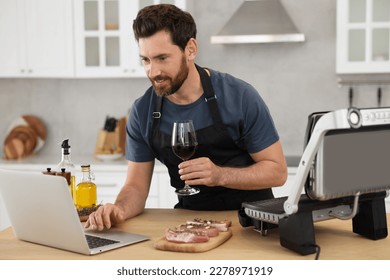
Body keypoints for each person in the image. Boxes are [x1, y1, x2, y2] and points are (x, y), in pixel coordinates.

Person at [86, 4, 287, 231]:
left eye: (162, 58)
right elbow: (136, 187)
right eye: (146, 60)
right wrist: (119, 209)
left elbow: (277, 172)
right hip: (190, 224)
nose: (153, 72)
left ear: (190, 49)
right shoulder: (142, 112)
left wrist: (220, 175)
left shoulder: (240, 97)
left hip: (253, 223)